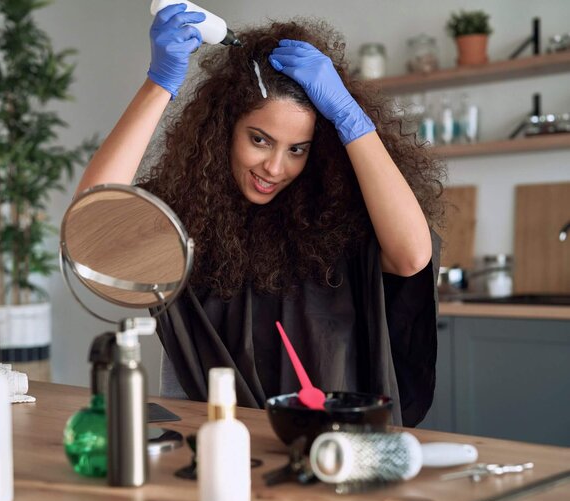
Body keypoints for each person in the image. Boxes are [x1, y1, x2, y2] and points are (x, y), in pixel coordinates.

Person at [74, 5, 445, 426]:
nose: (274, 167)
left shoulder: (337, 222)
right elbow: (92, 227)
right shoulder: (187, 215)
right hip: (206, 435)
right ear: (224, 130)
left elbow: (412, 256)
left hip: (320, 444)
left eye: (297, 150)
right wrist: (159, 84)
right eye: (260, 140)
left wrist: (348, 116)